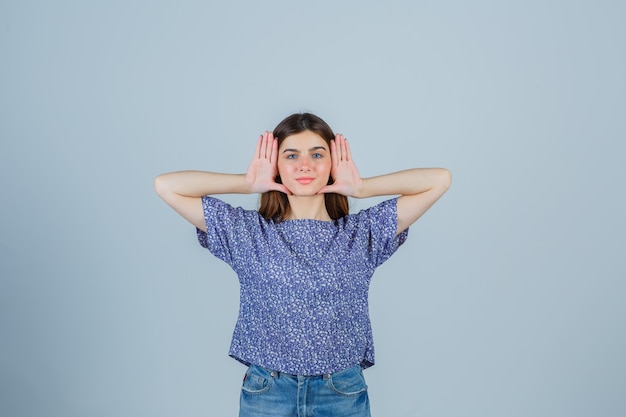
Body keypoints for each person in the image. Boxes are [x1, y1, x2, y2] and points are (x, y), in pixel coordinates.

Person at [154, 112, 451, 416]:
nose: (305, 164)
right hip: (267, 392)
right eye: (291, 155)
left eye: (317, 154)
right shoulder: (247, 232)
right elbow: (166, 185)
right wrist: (246, 184)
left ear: (333, 163)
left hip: (340, 392)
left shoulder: (362, 233)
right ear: (277, 165)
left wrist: (362, 187)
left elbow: (440, 180)